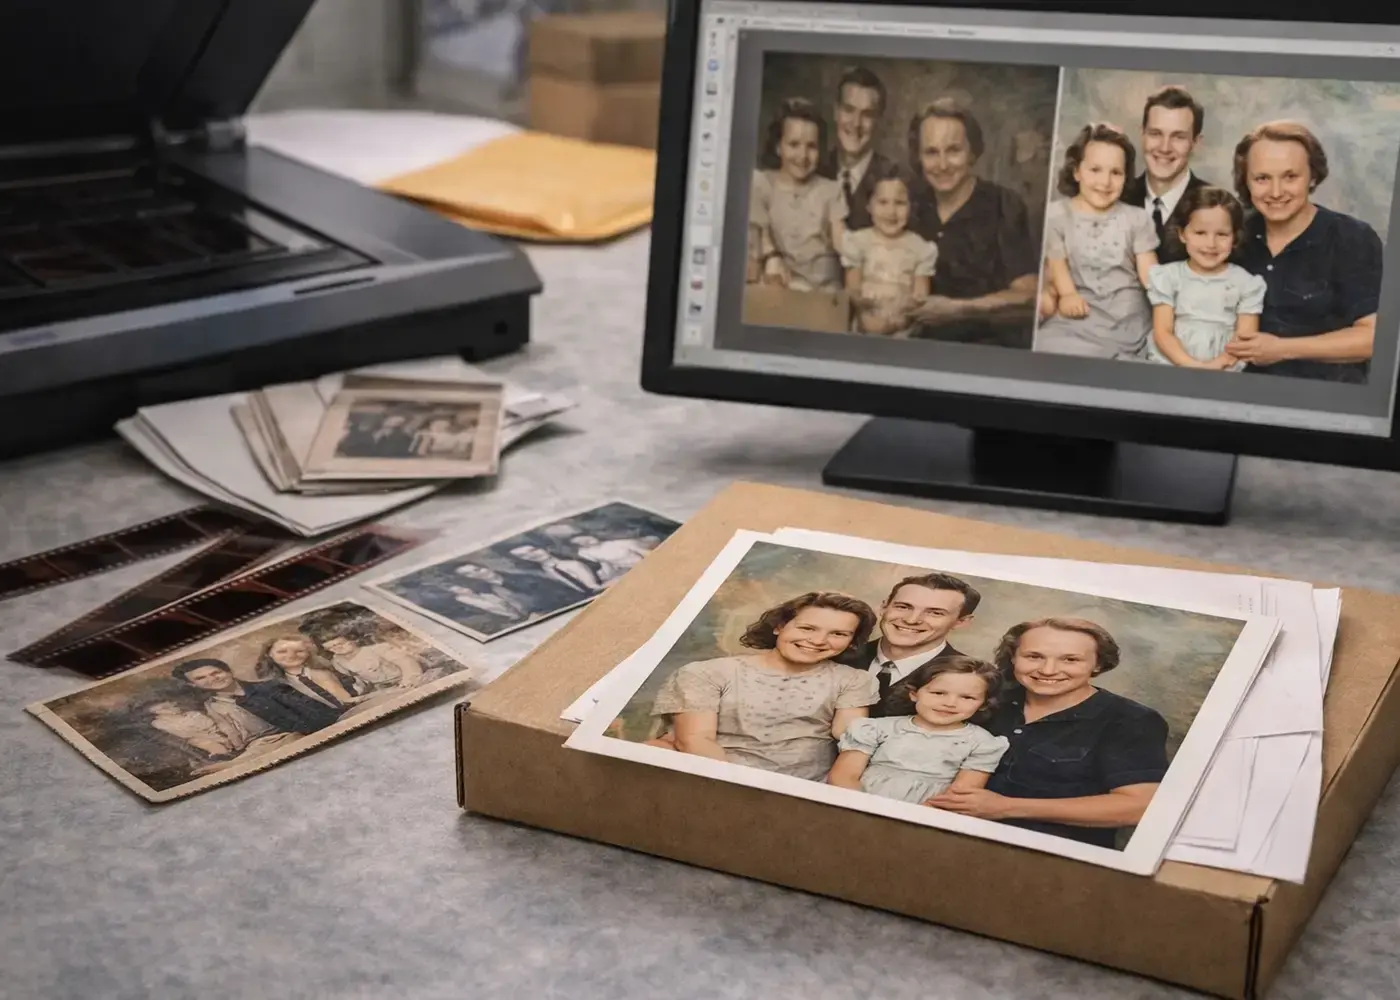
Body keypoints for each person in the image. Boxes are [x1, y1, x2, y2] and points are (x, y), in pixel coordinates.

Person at [926, 618, 1169, 850]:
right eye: (1034, 656)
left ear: (1097, 664)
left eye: (1070, 660)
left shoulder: (1129, 720)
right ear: (1013, 657)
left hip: (1051, 860)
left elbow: (1138, 806)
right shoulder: (983, 697)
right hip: (940, 836)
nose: (1048, 670)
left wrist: (1006, 807)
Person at [649, 591, 879, 780]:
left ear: (851, 642)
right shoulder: (708, 672)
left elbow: (851, 740)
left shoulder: (852, 680)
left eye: (838, 634)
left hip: (805, 786)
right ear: (779, 626)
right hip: (716, 776)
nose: (818, 641)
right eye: (807, 628)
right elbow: (695, 739)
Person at [1228, 120, 1381, 383]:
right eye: (1262, 178)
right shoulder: (1229, 232)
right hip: (1235, 392)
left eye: (1290, 177)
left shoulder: (1352, 238)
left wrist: (1282, 349)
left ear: (1312, 177)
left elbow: (1373, 338)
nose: (1276, 192)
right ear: (1246, 181)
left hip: (1324, 397)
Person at [902, 98, 1040, 347]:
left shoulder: (1003, 205)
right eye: (931, 152)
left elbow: (1028, 294)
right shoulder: (907, 204)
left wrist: (959, 309)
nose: (942, 165)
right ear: (918, 157)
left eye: (954, 150)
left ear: (972, 151)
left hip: (986, 351)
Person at [1036, 123, 1160, 360]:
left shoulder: (1136, 218)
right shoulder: (1057, 215)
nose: (1105, 182)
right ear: (1076, 171)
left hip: (1127, 317)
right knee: (1047, 346)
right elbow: (1056, 261)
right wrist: (1068, 294)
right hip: (1079, 313)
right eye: (1095, 169)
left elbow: (1150, 274)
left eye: (1116, 173)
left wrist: (1172, 302)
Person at [827, 656, 1009, 804]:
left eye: (967, 697)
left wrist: (913, 818)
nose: (950, 703)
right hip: (857, 804)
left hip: (927, 815)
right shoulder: (876, 728)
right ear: (914, 693)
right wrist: (865, 808)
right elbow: (843, 775)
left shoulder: (982, 743)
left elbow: (959, 795)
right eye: (938, 693)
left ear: (984, 704)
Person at [1146, 186, 1268, 370]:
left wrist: (1218, 364)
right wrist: (1192, 365)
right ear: (1182, 234)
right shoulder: (1168, 277)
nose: (1210, 244)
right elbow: (1163, 332)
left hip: (1225, 368)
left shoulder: (1246, 284)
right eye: (1200, 233)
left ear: (1234, 237)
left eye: (1222, 234)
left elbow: (1244, 337)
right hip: (1172, 365)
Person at [747, 97, 849, 291]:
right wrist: (771, 257)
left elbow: (842, 240)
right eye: (794, 145)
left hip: (824, 287)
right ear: (778, 147)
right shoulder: (761, 183)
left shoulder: (831, 190)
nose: (803, 156)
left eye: (811, 146)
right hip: (780, 281)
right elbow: (759, 236)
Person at [840, 162, 938, 336]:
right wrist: (865, 306)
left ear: (912, 207)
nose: (891, 212)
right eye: (882, 202)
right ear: (869, 206)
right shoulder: (859, 242)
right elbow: (852, 288)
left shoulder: (919, 248)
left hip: (903, 329)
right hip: (865, 325)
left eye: (900, 203)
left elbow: (920, 296)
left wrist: (900, 315)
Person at [864, 572, 978, 719]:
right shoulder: (840, 656)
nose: (912, 620)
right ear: (884, 606)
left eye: (935, 613)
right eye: (904, 607)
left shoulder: (973, 679)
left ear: (961, 621)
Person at [1121, 86, 1215, 263]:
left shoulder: (1215, 207)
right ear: (1142, 134)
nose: (1164, 148)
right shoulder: (1117, 198)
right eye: (1155, 134)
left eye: (1178, 137)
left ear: (1196, 142)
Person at [172, 658, 344, 739]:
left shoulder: (270, 687)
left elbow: (319, 716)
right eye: (201, 678)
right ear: (194, 685)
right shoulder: (212, 707)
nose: (213, 679)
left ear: (229, 672)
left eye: (216, 672)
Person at [817, 65, 894, 231]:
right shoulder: (816, 170)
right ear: (836, 112)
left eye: (867, 114)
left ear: (879, 120)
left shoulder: (894, 177)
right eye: (848, 110)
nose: (856, 123)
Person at [257, 634, 364, 708]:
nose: (291, 656)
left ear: (308, 652)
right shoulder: (275, 685)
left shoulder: (326, 670)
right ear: (269, 654)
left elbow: (349, 697)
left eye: (299, 651)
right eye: (282, 651)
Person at [314, 623, 424, 693]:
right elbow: (358, 679)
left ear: (353, 639)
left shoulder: (377, 649)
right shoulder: (338, 661)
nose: (338, 648)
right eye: (331, 647)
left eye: (341, 643)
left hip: (407, 681)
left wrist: (407, 682)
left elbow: (407, 663)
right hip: (383, 689)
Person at [145, 701, 244, 759]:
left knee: (229, 732)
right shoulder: (159, 723)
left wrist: (198, 730)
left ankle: (236, 749)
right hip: (198, 739)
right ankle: (222, 754)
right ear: (156, 713)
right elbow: (184, 734)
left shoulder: (192, 714)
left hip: (215, 732)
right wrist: (199, 731)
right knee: (199, 741)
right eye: (165, 707)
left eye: (172, 704)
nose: (172, 707)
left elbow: (208, 723)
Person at [508, 543, 604, 594]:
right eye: (523, 555)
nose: (532, 555)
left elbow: (595, 587)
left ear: (544, 548)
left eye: (533, 550)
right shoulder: (539, 577)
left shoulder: (573, 563)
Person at [568, 533, 660, 583]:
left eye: (584, 538)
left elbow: (650, 553)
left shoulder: (619, 543)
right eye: (581, 543)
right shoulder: (592, 554)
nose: (584, 542)